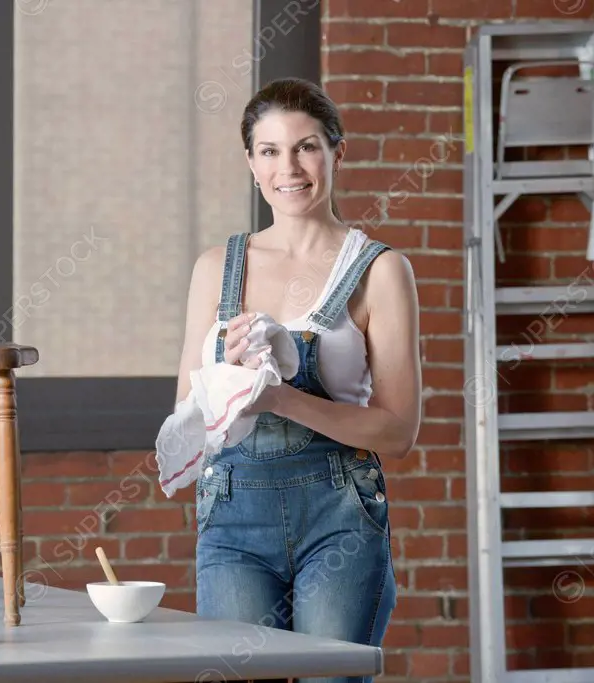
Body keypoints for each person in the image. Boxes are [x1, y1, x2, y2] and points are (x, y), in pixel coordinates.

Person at [174, 77, 421, 683]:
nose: (289, 167)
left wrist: (281, 398)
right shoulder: (216, 268)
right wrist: (226, 378)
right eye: (269, 150)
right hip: (233, 514)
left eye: (306, 147)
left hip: (339, 514)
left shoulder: (381, 272)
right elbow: (186, 415)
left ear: (338, 151)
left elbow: (397, 431)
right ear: (251, 162)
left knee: (329, 679)